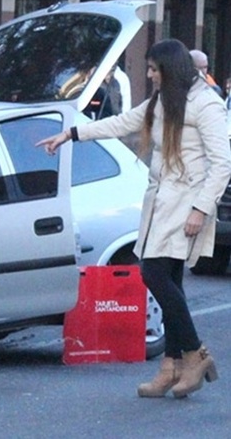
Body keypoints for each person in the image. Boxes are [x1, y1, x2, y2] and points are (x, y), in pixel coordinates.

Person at [37, 39, 231, 399]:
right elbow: (122, 122)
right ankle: (171, 366)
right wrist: (72, 134)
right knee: (170, 278)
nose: (150, 75)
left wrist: (201, 209)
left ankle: (195, 354)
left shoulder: (207, 104)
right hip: (162, 199)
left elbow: (222, 164)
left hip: (187, 202)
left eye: (155, 69)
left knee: (153, 272)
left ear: (170, 70)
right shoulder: (162, 100)